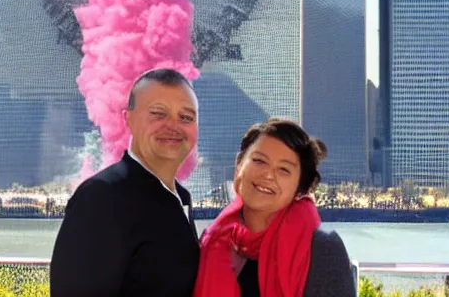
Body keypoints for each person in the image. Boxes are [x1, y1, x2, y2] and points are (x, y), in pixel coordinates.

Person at [50, 68, 200, 296]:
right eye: (158, 113)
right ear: (128, 119)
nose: (173, 126)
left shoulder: (180, 198)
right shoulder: (102, 197)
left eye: (186, 117)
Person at [194, 118, 356, 297]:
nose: (268, 175)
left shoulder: (322, 249)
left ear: (300, 189)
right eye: (259, 161)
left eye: (284, 170)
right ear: (239, 164)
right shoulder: (212, 241)